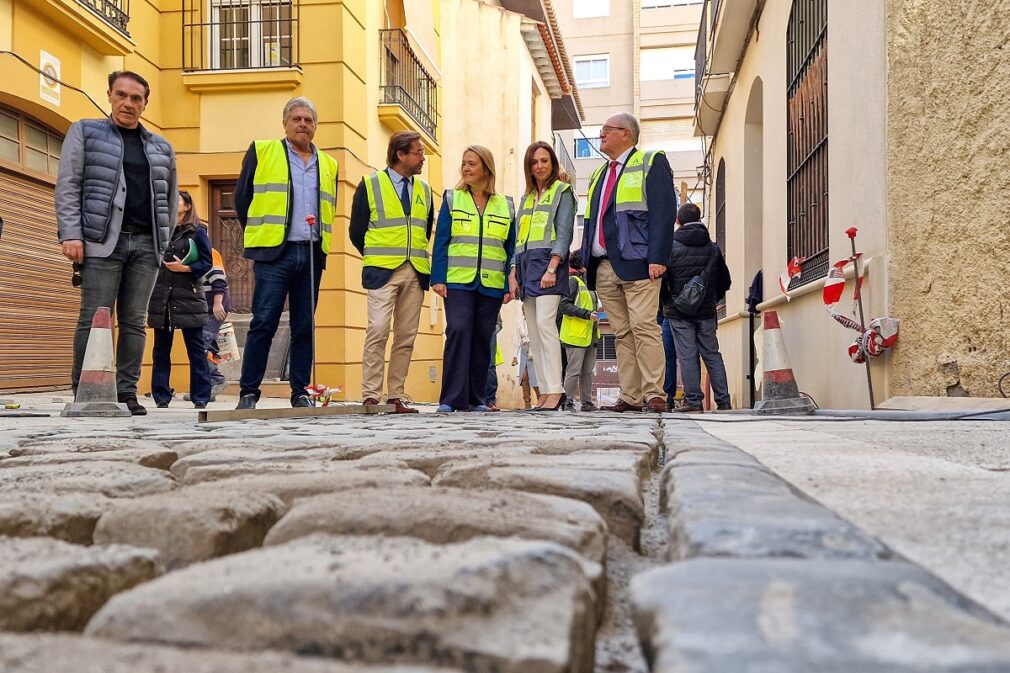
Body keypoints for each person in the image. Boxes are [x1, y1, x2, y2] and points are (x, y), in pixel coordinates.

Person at [56, 71, 178, 416]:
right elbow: (69, 185)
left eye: (136, 98)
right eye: (122, 95)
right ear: (109, 96)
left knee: (135, 321)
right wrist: (71, 233)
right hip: (100, 242)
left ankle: (126, 391)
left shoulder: (161, 147)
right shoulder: (85, 132)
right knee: (94, 317)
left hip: (146, 244)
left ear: (144, 104)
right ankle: (85, 389)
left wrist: (162, 243)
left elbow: (168, 198)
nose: (128, 103)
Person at [234, 97, 339, 410]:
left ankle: (300, 391)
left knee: (304, 326)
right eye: (296, 119)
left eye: (308, 120)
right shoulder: (263, 151)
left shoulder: (328, 164)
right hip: (274, 254)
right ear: (285, 123)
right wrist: (261, 234)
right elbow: (243, 198)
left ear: (315, 126)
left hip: (310, 253)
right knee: (263, 321)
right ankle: (249, 392)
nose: (303, 124)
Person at [579, 112, 676, 413]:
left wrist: (658, 257)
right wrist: (586, 261)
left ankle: (654, 393)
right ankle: (631, 396)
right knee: (621, 332)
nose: (601, 134)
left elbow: (664, 210)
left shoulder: (650, 161)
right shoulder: (598, 174)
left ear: (627, 134)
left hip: (639, 262)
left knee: (644, 326)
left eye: (607, 129)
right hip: (605, 266)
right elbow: (592, 220)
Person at [349, 131, 433, 413]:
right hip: (382, 272)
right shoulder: (370, 185)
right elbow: (357, 232)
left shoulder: (424, 190)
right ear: (400, 154)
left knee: (406, 336)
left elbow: (425, 228)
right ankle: (370, 395)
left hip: (416, 271)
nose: (423, 157)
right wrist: (378, 256)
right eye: (418, 152)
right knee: (378, 330)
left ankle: (395, 395)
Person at [431, 146, 516, 412]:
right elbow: (442, 241)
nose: (466, 169)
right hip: (457, 280)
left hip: (491, 283)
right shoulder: (451, 199)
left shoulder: (506, 205)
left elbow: (510, 249)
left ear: (485, 168)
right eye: (464, 164)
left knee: (482, 338)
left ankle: (476, 398)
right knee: (457, 331)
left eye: (472, 164)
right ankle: (451, 399)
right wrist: (438, 277)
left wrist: (507, 284)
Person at [507, 141, 575, 411]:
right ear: (529, 167)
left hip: (548, 264)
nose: (540, 166)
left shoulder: (563, 191)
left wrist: (552, 267)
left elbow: (565, 232)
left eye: (544, 161)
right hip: (525, 266)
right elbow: (518, 239)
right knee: (534, 334)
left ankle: (556, 390)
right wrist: (513, 272)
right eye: (535, 162)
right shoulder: (526, 199)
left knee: (546, 327)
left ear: (552, 163)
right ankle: (546, 391)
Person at [663, 202, 732, 413]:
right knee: (712, 354)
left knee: (687, 355)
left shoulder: (670, 247)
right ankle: (724, 401)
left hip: (678, 312)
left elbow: (663, 281)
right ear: (700, 219)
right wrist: (710, 298)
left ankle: (693, 401)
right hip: (706, 312)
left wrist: (668, 303)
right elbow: (725, 281)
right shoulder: (713, 248)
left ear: (677, 221)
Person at [147, 190, 213, 408]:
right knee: (161, 349)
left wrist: (185, 268)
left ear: (186, 206)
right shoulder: (160, 231)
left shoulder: (197, 232)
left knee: (195, 349)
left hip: (189, 297)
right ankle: (161, 396)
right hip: (162, 297)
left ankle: (201, 397)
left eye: (178, 200)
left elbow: (207, 262)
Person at [558, 251, 600, 412]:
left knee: (587, 372)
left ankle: (586, 402)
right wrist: (587, 314)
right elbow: (564, 306)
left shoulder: (588, 283)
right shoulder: (572, 281)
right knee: (573, 371)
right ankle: (567, 402)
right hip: (575, 334)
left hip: (590, 334)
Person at [201, 245, 230, 399]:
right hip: (204, 307)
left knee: (201, 344)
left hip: (214, 307)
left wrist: (218, 303)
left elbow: (219, 279)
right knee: (207, 346)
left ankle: (216, 379)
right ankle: (205, 387)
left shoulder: (210, 252)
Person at [512, 307, 540, 409]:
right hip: (524, 348)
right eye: (524, 310)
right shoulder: (520, 322)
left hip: (534, 348)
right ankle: (527, 404)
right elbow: (517, 338)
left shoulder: (536, 320)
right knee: (524, 376)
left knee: (534, 377)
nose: (525, 312)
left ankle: (540, 400)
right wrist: (515, 355)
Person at [484, 312, 503, 411]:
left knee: (490, 365)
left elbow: (499, 322)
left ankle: (490, 400)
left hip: (491, 325)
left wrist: (494, 329)